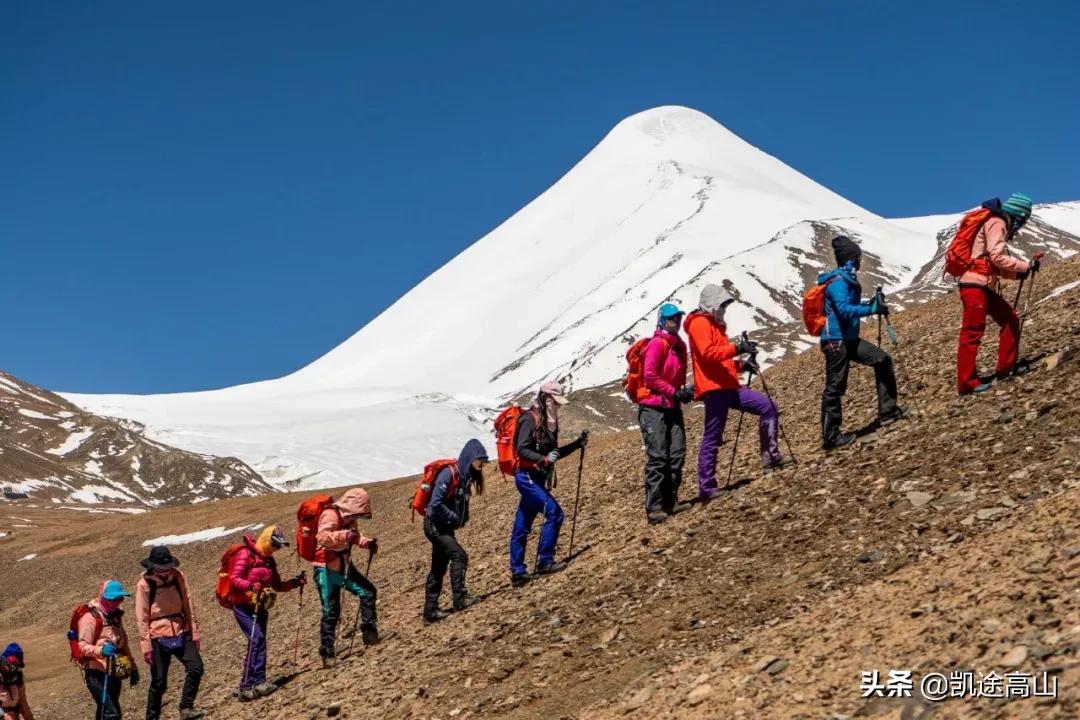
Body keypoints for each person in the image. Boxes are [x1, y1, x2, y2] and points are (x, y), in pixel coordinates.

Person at [685, 284, 793, 501]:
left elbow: (719, 360)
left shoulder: (714, 324)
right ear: (712, 304)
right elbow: (708, 355)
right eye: (722, 305)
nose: (724, 309)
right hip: (714, 389)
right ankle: (707, 488)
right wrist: (738, 349)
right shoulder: (699, 324)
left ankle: (771, 458)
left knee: (768, 407)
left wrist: (742, 366)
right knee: (712, 437)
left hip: (728, 386)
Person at [817, 236, 907, 450]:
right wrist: (872, 309)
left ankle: (887, 411)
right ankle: (830, 437)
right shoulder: (838, 282)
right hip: (836, 341)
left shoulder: (845, 278)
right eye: (857, 257)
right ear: (851, 259)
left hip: (847, 339)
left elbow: (847, 307)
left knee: (882, 360)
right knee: (835, 387)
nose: (860, 261)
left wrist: (872, 304)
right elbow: (845, 310)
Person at [509, 380, 589, 587]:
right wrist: (543, 460)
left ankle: (518, 572)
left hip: (535, 477)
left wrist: (575, 445)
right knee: (554, 513)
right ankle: (545, 561)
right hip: (526, 477)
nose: (558, 406)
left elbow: (553, 454)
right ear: (545, 398)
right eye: (555, 402)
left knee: (523, 524)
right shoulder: (530, 419)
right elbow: (521, 449)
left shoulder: (548, 422)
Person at [956, 193, 1037, 395]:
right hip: (975, 285)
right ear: (1018, 215)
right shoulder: (997, 222)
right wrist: (1024, 266)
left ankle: (1006, 367)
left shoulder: (994, 221)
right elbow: (996, 257)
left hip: (980, 284)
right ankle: (966, 382)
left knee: (1010, 318)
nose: (1020, 226)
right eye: (1023, 220)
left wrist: (1020, 273)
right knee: (972, 332)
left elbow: (989, 262)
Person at [224, 526, 305, 701]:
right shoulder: (246, 554)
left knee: (258, 642)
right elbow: (234, 579)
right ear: (267, 539)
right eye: (274, 543)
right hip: (243, 606)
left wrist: (294, 583)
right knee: (257, 639)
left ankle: (254, 683)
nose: (276, 548)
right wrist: (250, 586)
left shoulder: (269, 561)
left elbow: (277, 585)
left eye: (279, 546)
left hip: (260, 606)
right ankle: (248, 685)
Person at [637, 303, 694, 524]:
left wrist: (681, 393)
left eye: (678, 318)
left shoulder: (679, 345)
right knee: (659, 456)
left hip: (671, 405)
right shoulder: (657, 344)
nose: (676, 322)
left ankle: (670, 501)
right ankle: (654, 507)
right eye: (671, 319)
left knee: (677, 453)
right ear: (662, 320)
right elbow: (650, 376)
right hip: (653, 407)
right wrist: (674, 392)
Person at [423, 439, 489, 623]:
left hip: (441, 526)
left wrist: (460, 518)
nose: (481, 467)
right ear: (470, 459)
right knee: (459, 556)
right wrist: (453, 517)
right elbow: (434, 503)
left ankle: (430, 612)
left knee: (439, 566)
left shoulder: (464, 477)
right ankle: (459, 599)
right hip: (435, 525)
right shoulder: (449, 474)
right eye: (479, 462)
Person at [135, 546, 205, 720]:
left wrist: (194, 632)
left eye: (167, 567)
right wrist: (146, 647)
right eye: (161, 567)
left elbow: (188, 603)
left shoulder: (178, 576)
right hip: (157, 635)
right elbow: (141, 617)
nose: (165, 570)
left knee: (196, 667)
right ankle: (152, 717)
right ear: (153, 566)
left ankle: (186, 707)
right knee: (159, 681)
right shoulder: (144, 584)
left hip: (181, 628)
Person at [314, 488, 379, 667]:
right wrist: (344, 535)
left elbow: (355, 537)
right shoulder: (330, 514)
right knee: (331, 611)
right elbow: (321, 537)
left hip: (343, 566)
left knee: (368, 592)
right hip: (325, 570)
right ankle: (327, 653)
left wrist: (367, 543)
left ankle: (370, 634)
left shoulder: (349, 517)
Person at [78, 580, 139, 720]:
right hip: (95, 672)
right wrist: (100, 650)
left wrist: (133, 667)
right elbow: (82, 647)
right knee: (112, 714)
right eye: (112, 599)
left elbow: (123, 645)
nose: (116, 602)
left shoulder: (116, 617)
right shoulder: (90, 617)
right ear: (103, 597)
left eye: (119, 599)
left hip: (113, 670)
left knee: (104, 710)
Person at [1, 643, 34, 720]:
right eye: (12, 666)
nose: (14, 670)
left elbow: (23, 704)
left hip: (13, 708)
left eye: (17, 667)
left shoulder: (17, 676)